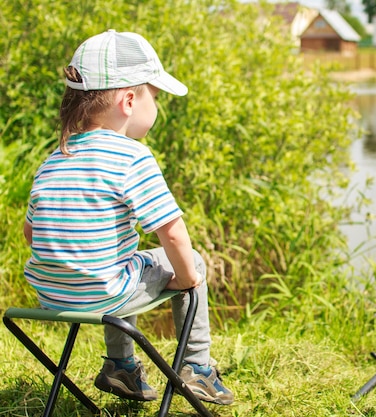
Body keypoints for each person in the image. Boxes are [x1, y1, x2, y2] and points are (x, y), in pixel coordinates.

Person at [22, 29, 234, 405]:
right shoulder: (132, 156)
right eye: (155, 96)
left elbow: (31, 233)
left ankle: (121, 366)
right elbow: (173, 233)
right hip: (106, 294)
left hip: (51, 294)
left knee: (121, 263)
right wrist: (187, 279)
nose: (157, 105)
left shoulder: (54, 158)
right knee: (189, 262)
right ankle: (197, 368)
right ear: (130, 100)